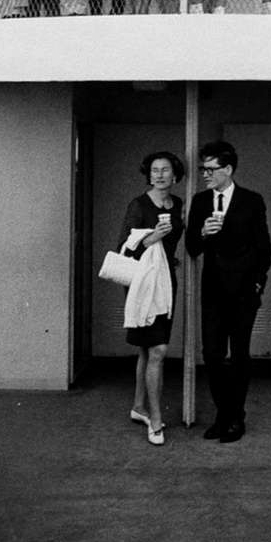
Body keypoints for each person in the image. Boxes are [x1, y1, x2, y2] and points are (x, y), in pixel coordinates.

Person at [184, 140, 270, 442]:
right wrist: (202, 234)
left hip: (245, 292)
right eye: (203, 169)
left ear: (228, 169)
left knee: (240, 355)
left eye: (211, 169)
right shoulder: (200, 201)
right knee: (212, 354)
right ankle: (225, 414)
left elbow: (264, 249)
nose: (205, 174)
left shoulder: (251, 201)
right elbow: (192, 247)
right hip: (213, 292)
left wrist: (258, 284)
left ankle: (236, 417)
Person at [117, 151, 186, 446]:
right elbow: (124, 248)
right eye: (154, 170)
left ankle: (138, 407)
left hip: (166, 281)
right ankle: (155, 421)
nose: (159, 175)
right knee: (157, 349)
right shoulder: (139, 205)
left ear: (174, 175)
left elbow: (173, 246)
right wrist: (153, 238)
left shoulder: (178, 204)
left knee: (147, 351)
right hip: (143, 285)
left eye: (165, 170)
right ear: (149, 174)